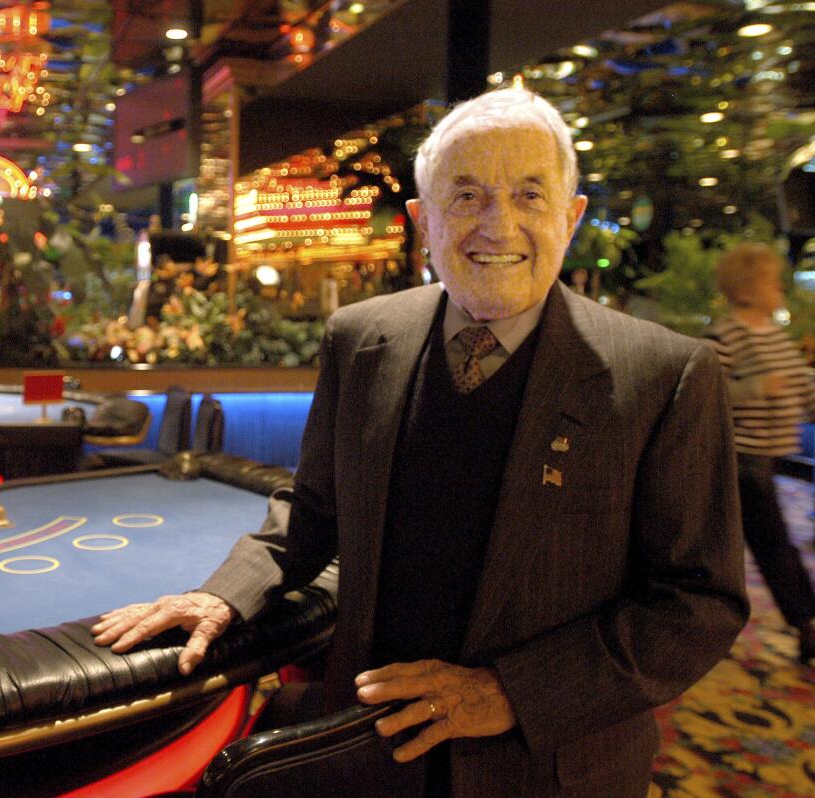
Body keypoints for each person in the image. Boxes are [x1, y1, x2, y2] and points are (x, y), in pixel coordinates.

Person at [92, 87, 748, 797]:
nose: (497, 227)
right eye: (465, 197)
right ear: (421, 222)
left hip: (549, 768)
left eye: (530, 195)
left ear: (572, 217)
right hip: (365, 746)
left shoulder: (665, 373)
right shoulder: (362, 337)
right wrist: (223, 595)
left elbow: (697, 605)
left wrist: (507, 694)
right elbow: (312, 511)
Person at [705, 242, 815, 663]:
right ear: (747, 291)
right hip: (738, 458)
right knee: (771, 541)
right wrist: (755, 388)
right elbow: (707, 392)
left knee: (733, 544)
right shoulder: (727, 337)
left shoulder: (778, 337)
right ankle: (805, 621)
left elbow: (802, 390)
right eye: (772, 282)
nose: (780, 289)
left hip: (766, 458)